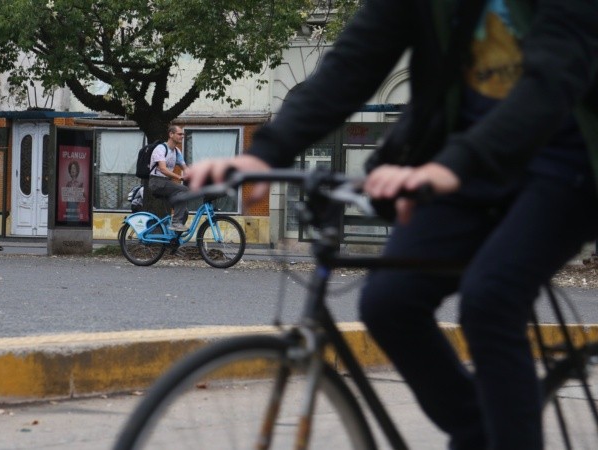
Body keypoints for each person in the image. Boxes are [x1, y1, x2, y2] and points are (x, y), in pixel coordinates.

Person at [187, 1, 598, 448]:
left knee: (492, 297)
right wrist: (264, 153)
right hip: (466, 159)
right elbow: (352, 63)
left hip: (568, 161)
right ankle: (483, 430)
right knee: (389, 302)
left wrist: (451, 167)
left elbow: (555, 75)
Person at [149, 125, 190, 232]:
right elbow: (163, 169)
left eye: (183, 134)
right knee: (184, 190)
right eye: (179, 134)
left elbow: (185, 168)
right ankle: (175, 223)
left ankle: (173, 239)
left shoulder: (177, 151)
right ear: (171, 134)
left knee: (184, 212)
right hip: (157, 182)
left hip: (166, 183)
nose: (182, 136)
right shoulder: (161, 148)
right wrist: (179, 177)